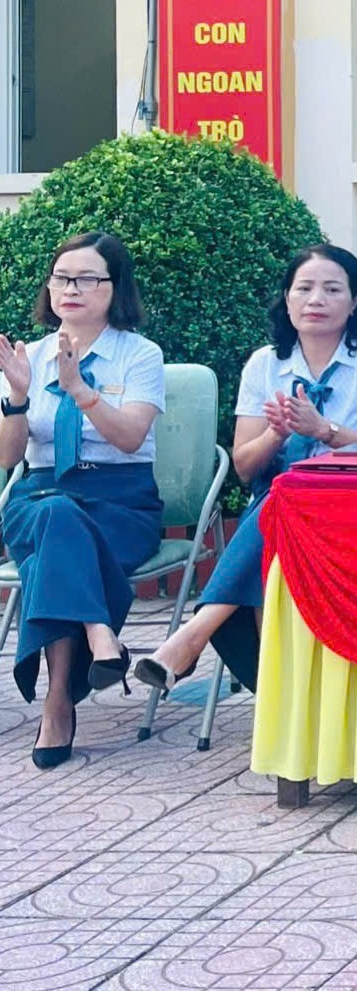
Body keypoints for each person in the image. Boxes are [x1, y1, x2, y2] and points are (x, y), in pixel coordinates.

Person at [135, 245, 357, 698]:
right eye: (304, 288)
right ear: (287, 298)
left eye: (332, 289)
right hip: (279, 502)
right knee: (283, 504)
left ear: (355, 301)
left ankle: (194, 635)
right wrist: (276, 435)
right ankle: (277, 695)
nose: (316, 299)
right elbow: (245, 467)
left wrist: (325, 431)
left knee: (284, 505)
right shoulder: (265, 363)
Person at [0, 232, 164, 769]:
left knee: (53, 546)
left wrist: (78, 389)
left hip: (120, 502)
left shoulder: (140, 355)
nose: (71, 289)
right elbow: (8, 457)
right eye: (62, 278)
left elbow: (130, 438)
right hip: (39, 494)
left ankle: (57, 706)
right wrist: (17, 397)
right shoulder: (28, 356)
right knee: (55, 513)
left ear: (115, 288)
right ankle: (100, 634)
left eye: (87, 279)